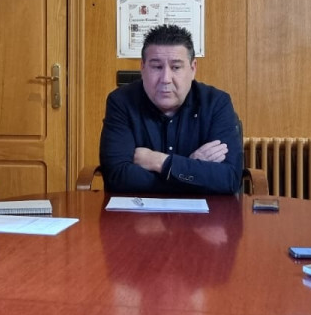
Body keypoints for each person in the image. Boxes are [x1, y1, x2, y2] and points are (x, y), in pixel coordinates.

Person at [98, 24, 242, 194]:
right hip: (138, 216)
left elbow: (229, 179)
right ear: (143, 67)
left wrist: (162, 162)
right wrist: (189, 168)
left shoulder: (216, 103)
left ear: (193, 68)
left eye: (176, 67)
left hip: (203, 217)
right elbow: (117, 177)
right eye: (157, 67)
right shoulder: (121, 102)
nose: (166, 79)